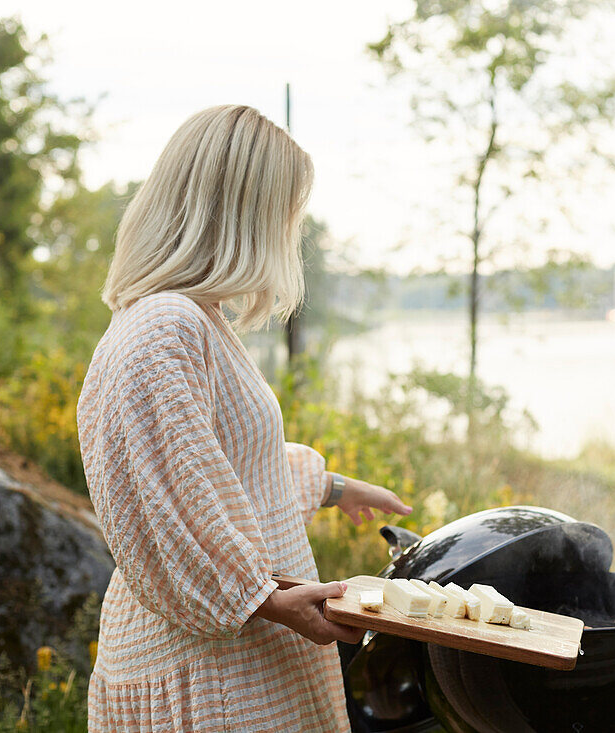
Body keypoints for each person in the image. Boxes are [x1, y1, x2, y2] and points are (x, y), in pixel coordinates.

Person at [77, 105, 412, 732]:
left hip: (235, 650)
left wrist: (334, 487)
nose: (291, 231)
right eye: (286, 212)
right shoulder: (164, 327)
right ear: (242, 211)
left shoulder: (195, 320)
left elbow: (221, 466)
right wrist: (268, 600)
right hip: (210, 672)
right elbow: (161, 503)